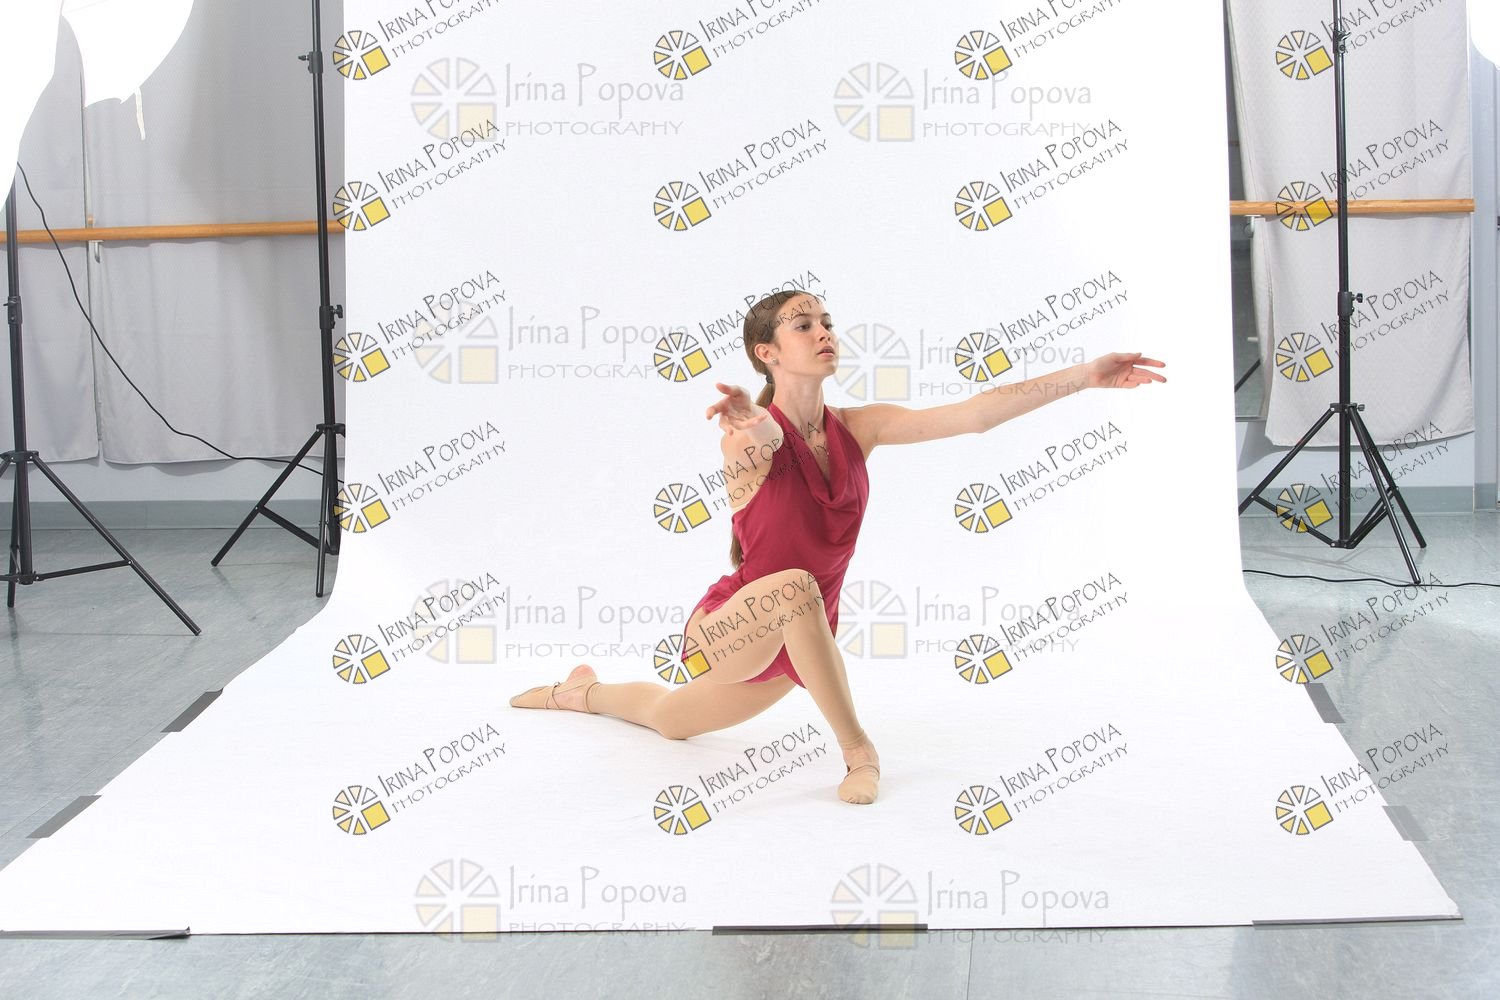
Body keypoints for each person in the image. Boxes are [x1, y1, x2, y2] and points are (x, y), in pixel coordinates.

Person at [510, 290, 1165, 805]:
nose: (823, 331)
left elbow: (974, 415)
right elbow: (767, 440)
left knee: (669, 718)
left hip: (803, 642)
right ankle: (859, 753)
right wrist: (752, 419)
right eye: (803, 325)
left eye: (826, 321)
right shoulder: (745, 438)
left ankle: (580, 692)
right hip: (730, 628)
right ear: (767, 353)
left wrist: (1085, 376)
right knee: (795, 587)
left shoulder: (860, 427)